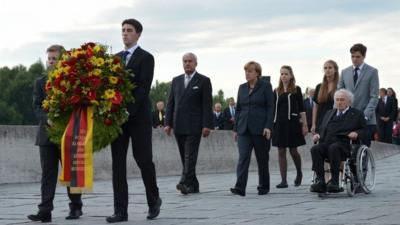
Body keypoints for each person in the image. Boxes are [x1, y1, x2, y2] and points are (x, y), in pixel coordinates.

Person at [107, 19, 161, 223]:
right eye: (122, 30)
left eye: (129, 31)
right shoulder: (114, 59)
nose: (125, 34)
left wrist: (127, 112)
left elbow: (143, 87)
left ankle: (153, 200)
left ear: (138, 34)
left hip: (139, 118)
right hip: (117, 120)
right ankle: (120, 211)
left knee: (143, 159)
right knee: (117, 164)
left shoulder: (146, 58)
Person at [28, 45, 83, 223]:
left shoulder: (72, 81)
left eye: (54, 58)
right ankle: (45, 211)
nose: (51, 62)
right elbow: (36, 106)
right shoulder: (40, 81)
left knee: (70, 173)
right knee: (47, 174)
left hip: (68, 132)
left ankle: (75, 207)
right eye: (49, 59)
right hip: (46, 134)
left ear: (62, 60)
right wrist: (46, 119)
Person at [164, 52, 213, 195]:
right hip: (178, 124)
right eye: (185, 61)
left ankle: (184, 182)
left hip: (194, 125)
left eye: (190, 61)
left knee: (190, 155)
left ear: (196, 63)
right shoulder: (176, 80)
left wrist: (207, 125)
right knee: (184, 156)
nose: (187, 63)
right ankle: (194, 185)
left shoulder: (203, 80)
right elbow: (170, 103)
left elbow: (207, 104)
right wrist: (167, 123)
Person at [230, 61, 274, 196]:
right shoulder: (241, 87)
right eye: (246, 71)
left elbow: (271, 107)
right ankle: (240, 187)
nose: (247, 74)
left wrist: (268, 126)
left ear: (257, 73)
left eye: (250, 71)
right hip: (244, 128)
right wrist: (236, 128)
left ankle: (263, 186)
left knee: (262, 158)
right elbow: (238, 109)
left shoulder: (266, 86)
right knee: (243, 157)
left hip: (260, 128)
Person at [310, 89, 366, 193]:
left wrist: (357, 133)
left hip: (344, 144)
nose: (339, 102)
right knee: (315, 149)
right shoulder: (329, 113)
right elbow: (321, 128)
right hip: (326, 142)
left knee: (334, 147)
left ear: (349, 101)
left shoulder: (357, 114)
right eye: (337, 100)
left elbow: (364, 130)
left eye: (342, 100)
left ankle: (335, 182)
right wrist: (317, 134)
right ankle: (321, 182)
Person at [272, 65, 307, 188]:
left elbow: (302, 110)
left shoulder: (296, 89)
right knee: (281, 150)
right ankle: (283, 180)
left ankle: (299, 172)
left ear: (291, 75)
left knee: (293, 150)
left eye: (286, 74)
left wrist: (305, 125)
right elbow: (273, 109)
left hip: (292, 123)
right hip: (279, 124)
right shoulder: (276, 91)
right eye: (281, 74)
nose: (283, 76)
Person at [338, 43, 379, 147]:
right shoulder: (344, 72)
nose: (355, 59)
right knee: (346, 150)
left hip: (366, 119)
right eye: (352, 56)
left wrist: (365, 115)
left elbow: (374, 97)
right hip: (348, 118)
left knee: (363, 150)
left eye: (358, 56)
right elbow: (339, 93)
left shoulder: (372, 72)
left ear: (364, 56)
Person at [311, 60, 339, 134]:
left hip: (335, 121)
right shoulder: (319, 87)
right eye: (325, 68)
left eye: (330, 68)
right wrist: (314, 124)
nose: (327, 70)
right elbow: (315, 107)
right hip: (321, 121)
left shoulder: (340, 86)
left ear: (335, 69)